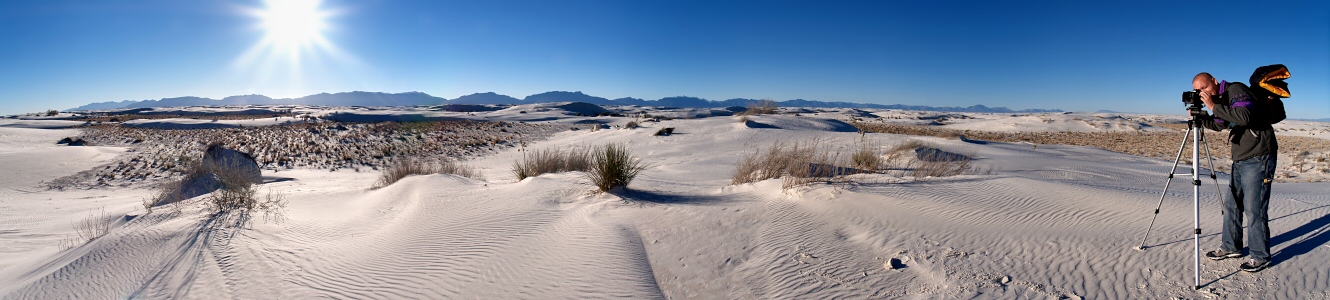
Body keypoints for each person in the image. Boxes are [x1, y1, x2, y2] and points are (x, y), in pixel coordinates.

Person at [1193, 72, 1279, 272]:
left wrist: (1213, 106)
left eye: (1204, 88)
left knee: (1254, 209)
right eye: (1198, 91)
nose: (1202, 93)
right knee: (1232, 205)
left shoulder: (1236, 90)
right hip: (1241, 158)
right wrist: (1202, 118)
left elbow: (1244, 116)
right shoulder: (1223, 99)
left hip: (1258, 157)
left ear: (1214, 81)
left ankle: (1261, 256)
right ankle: (1231, 247)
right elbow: (1221, 123)